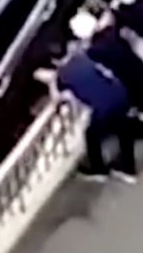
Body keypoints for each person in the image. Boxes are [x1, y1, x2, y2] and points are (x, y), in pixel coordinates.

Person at [50, 46, 137, 181]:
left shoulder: (62, 75)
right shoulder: (82, 58)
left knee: (91, 135)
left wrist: (51, 81)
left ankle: (98, 170)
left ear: (54, 62)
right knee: (123, 130)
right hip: (120, 95)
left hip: (103, 108)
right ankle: (128, 168)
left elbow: (58, 98)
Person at [72, 8, 143, 128]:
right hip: (138, 70)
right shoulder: (110, 34)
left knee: (139, 103)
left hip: (128, 81)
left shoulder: (94, 51)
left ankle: (142, 125)